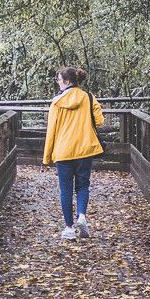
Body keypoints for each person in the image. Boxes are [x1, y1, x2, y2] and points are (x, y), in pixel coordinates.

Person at [42, 66, 104, 239]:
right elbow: (99, 121)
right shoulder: (89, 98)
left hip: (63, 152)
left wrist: (47, 156)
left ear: (67, 81)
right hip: (85, 149)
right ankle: (82, 216)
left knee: (66, 189)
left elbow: (51, 130)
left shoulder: (56, 102)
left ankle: (69, 228)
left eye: (59, 80)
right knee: (83, 185)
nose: (58, 83)